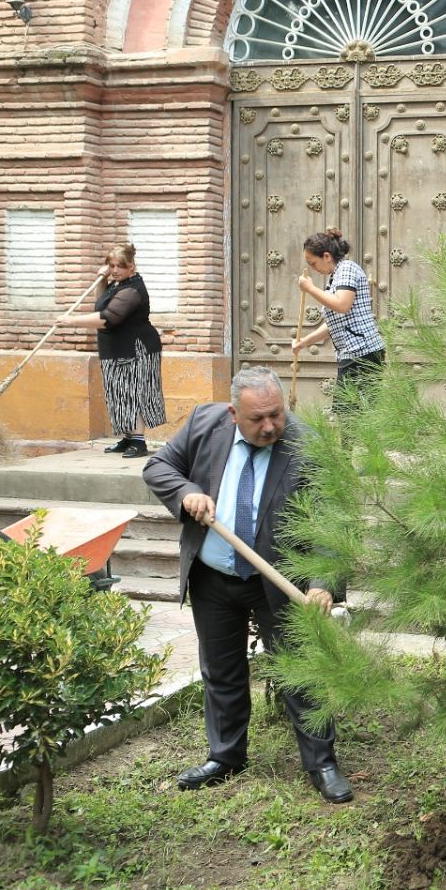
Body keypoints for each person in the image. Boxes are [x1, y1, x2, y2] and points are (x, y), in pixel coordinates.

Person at [143, 367, 354, 803]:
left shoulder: (306, 443)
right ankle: (225, 756)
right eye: (257, 418)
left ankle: (322, 763)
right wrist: (185, 492)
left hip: (278, 581)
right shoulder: (204, 423)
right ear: (232, 412)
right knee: (221, 670)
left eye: (276, 415)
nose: (270, 426)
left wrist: (321, 583)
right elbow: (158, 466)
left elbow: (335, 517)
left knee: (300, 674)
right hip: (214, 576)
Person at [58, 243, 166, 458]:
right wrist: (103, 280)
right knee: (118, 393)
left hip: (135, 348)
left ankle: (138, 441)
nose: (115, 269)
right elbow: (100, 305)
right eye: (111, 265)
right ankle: (128, 437)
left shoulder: (133, 289)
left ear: (131, 266)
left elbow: (108, 318)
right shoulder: (118, 284)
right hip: (115, 348)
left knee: (134, 392)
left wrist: (71, 321)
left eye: (120, 266)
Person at [290, 228, 386, 410]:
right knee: (350, 414)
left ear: (326, 256)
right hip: (353, 354)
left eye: (313, 263)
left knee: (351, 415)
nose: (313, 269)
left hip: (362, 353)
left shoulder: (347, 269)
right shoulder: (335, 277)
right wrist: (304, 342)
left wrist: (310, 288)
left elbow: (342, 305)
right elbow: (334, 324)